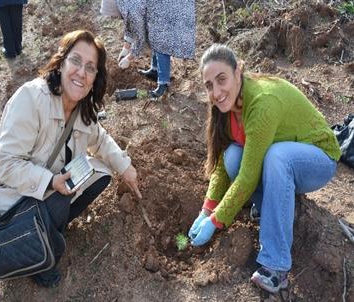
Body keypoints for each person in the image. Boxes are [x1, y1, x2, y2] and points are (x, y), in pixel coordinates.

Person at [0, 30, 142, 288]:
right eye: (75, 61)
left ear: (96, 77)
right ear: (61, 62)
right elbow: (6, 166)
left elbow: (99, 138)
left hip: (46, 178)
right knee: (62, 197)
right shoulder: (31, 99)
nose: (81, 73)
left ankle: (49, 228)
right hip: (5, 190)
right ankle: (38, 254)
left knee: (100, 172)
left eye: (90, 67)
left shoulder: (81, 106)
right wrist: (50, 181)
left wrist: (126, 167)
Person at [188, 44, 341, 294]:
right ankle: (270, 207)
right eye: (209, 85)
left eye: (221, 79)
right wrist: (206, 209)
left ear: (238, 72)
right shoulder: (226, 109)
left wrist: (216, 221)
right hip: (283, 159)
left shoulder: (261, 102)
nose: (216, 92)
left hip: (318, 158)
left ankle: (276, 267)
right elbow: (222, 168)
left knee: (276, 157)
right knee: (232, 157)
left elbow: (248, 177)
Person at [117, 0, 196, 98]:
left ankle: (163, 84)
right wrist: (125, 47)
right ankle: (155, 70)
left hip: (168, 11)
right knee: (154, 37)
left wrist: (129, 58)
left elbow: (140, 38)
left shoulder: (132, 8)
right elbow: (129, 26)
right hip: (158, 9)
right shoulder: (125, 4)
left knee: (161, 44)